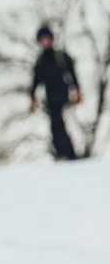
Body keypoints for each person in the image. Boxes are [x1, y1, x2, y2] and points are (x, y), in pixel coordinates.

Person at [30, 24, 83, 161]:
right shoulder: (40, 61)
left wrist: (77, 90)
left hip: (63, 95)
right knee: (55, 125)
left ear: (51, 39)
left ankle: (68, 153)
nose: (45, 42)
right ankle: (64, 152)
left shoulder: (61, 56)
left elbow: (72, 74)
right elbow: (35, 81)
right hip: (50, 97)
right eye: (42, 40)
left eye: (47, 39)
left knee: (59, 122)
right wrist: (33, 98)